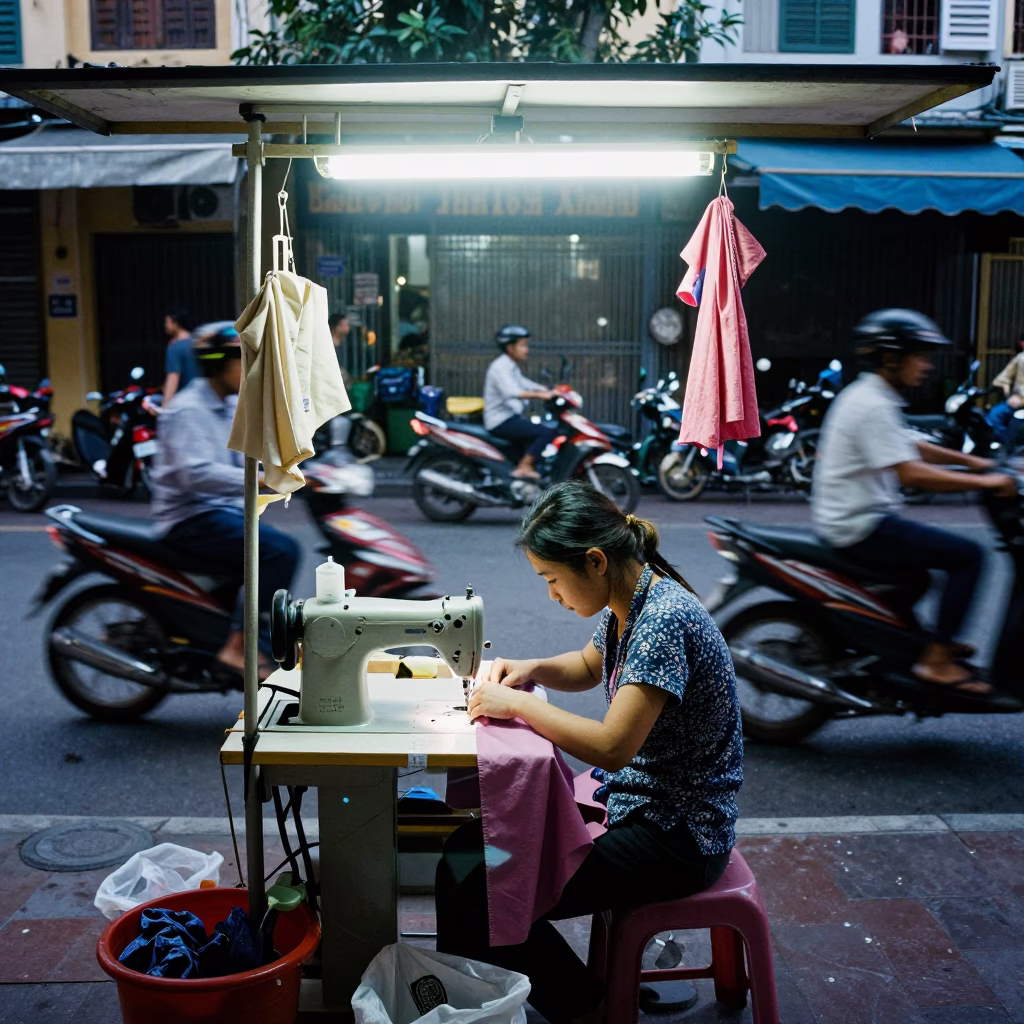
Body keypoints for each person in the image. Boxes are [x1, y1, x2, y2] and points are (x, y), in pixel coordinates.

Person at [435, 482, 743, 1024]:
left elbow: (612, 747)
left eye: (552, 579)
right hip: (638, 807)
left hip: (677, 836)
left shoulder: (663, 620)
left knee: (477, 880)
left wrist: (515, 705)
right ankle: (508, 1000)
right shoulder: (633, 597)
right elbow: (586, 665)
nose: (552, 594)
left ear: (596, 561)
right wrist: (528, 669)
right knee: (465, 854)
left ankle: (586, 1009)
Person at [811, 309, 1017, 694]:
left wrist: (974, 461)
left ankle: (919, 644)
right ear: (891, 357)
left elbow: (913, 446)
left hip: (858, 519)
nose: (926, 366)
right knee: (969, 556)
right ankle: (936, 660)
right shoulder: (871, 403)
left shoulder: (871, 396)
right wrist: (985, 480)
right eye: (919, 356)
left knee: (918, 577)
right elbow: (912, 473)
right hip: (860, 525)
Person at [149, 322, 300, 679]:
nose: (248, 369)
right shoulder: (189, 410)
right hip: (191, 518)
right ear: (219, 364)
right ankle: (240, 646)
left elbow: (244, 456)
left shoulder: (226, 404)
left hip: (220, 511)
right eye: (241, 360)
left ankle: (228, 633)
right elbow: (196, 474)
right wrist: (259, 478)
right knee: (280, 551)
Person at [483, 324, 557, 479]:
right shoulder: (500, 367)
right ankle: (524, 467)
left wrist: (546, 389)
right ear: (510, 348)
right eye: (523, 345)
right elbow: (512, 392)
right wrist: (541, 395)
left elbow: (523, 382)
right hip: (500, 420)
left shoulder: (510, 366)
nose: (526, 350)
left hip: (510, 417)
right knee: (545, 432)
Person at [986, 334, 1024, 443]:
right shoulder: (1020, 358)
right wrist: (1006, 390)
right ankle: (1005, 448)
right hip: (1016, 402)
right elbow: (1002, 378)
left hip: (1020, 403)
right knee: (993, 416)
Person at [162, 306, 198, 406]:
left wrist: (164, 408)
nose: (165, 326)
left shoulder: (175, 347)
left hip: (185, 403)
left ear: (176, 323)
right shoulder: (198, 343)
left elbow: (173, 378)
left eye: (167, 322)